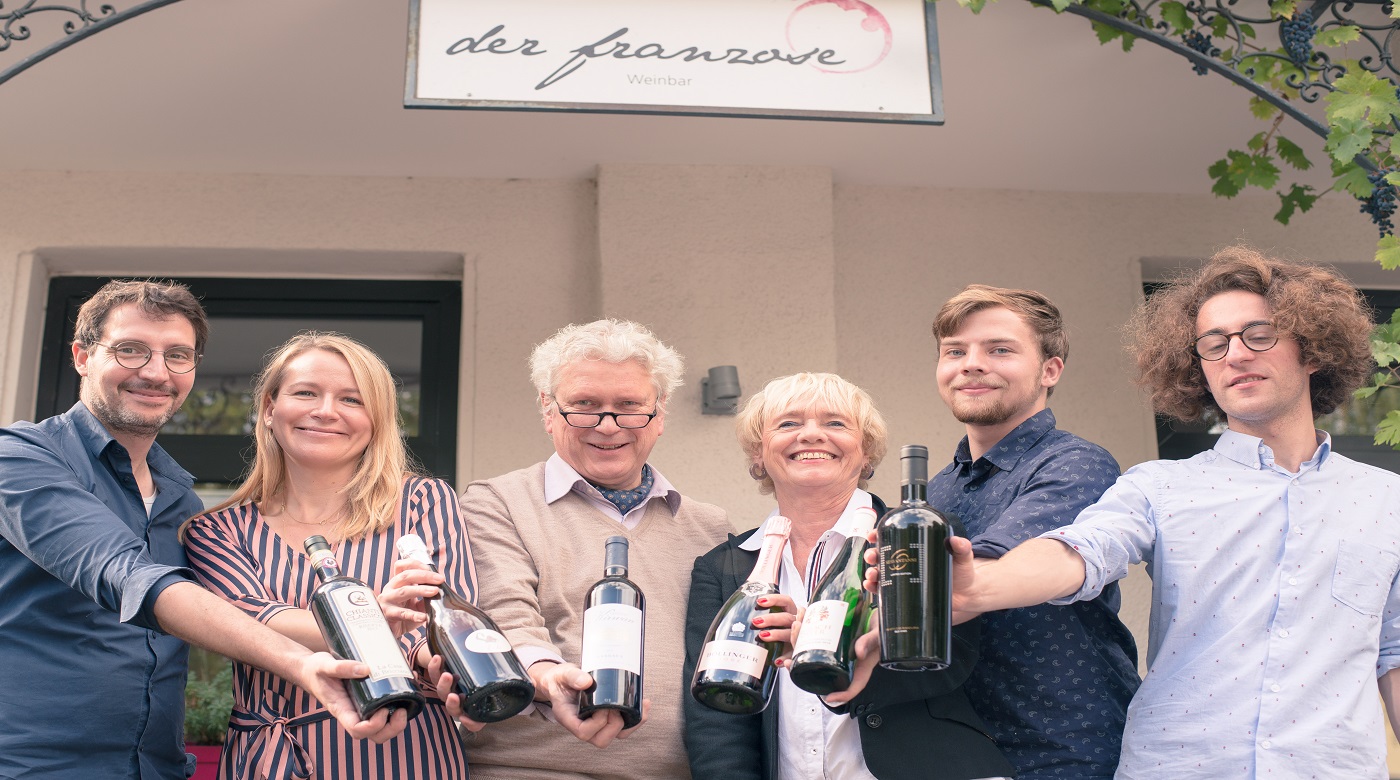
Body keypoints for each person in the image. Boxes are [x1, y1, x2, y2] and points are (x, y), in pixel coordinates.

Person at [940, 246, 1400, 778]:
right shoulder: (1159, 486)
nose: (1236, 355)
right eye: (1214, 343)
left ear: (1313, 347)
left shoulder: (1386, 499)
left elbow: (1393, 649)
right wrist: (981, 585)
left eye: (1259, 334)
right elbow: (1083, 550)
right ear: (1197, 367)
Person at [0, 281, 404, 780]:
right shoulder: (21, 457)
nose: (155, 372)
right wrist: (299, 663)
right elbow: (123, 573)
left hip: (156, 768)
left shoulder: (181, 500)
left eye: (178, 355)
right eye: (131, 350)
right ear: (83, 356)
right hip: (33, 764)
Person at [684, 372, 1015, 780]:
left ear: (867, 453)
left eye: (835, 423)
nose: (811, 435)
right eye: (788, 423)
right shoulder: (722, 568)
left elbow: (951, 659)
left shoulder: (919, 534)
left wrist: (838, 669)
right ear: (758, 453)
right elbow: (716, 721)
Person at [182, 332, 477, 779]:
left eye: (352, 400)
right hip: (268, 760)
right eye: (305, 393)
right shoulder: (215, 529)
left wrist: (436, 661)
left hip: (406, 748)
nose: (325, 411)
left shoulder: (423, 501)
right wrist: (374, 615)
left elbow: (440, 616)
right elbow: (252, 621)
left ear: (376, 421)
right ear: (268, 409)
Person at [461, 319, 732, 780]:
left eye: (629, 406)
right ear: (548, 410)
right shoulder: (496, 502)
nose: (608, 426)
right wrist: (548, 676)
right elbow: (506, 621)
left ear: (660, 413)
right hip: (530, 770)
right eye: (585, 405)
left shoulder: (709, 527)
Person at [924, 284, 1140, 777]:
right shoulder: (939, 488)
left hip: (1064, 746)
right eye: (954, 351)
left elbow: (984, 571)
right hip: (959, 748)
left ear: (1050, 369)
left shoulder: (1076, 463)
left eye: (999, 349)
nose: (971, 364)